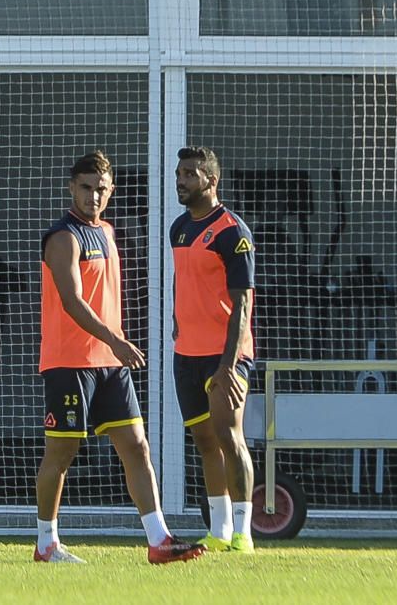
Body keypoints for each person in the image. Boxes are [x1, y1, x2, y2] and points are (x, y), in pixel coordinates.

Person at [34, 151, 205, 565]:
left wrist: (115, 345)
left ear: (111, 192)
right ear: (71, 188)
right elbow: (73, 302)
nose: (94, 196)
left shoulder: (108, 232)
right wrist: (116, 340)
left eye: (101, 189)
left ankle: (159, 539)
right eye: (86, 188)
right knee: (62, 455)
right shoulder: (63, 238)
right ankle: (46, 543)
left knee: (136, 446)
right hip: (70, 363)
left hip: (109, 363)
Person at [171, 146, 256, 553]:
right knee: (204, 440)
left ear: (211, 181)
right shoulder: (179, 228)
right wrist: (177, 323)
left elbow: (242, 302)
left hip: (226, 355)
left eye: (190, 174)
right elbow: (184, 280)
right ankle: (219, 530)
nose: (181, 180)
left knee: (228, 435)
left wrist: (228, 364)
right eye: (179, 173)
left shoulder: (232, 232)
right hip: (186, 353)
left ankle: (244, 532)